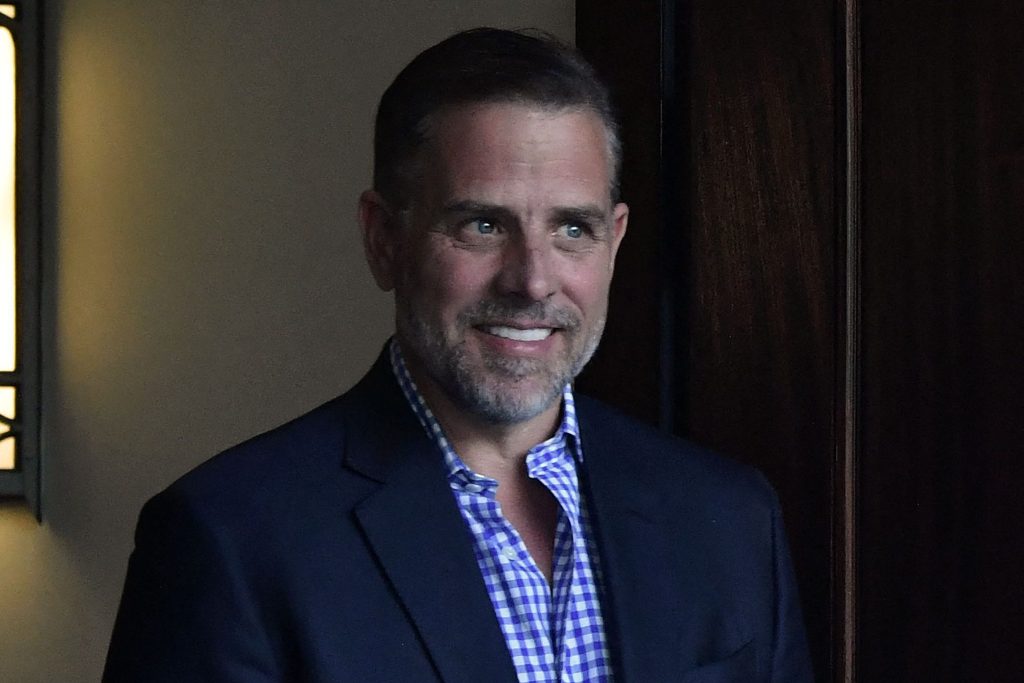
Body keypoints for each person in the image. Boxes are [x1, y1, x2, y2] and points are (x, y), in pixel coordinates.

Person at [104, 28, 812, 683]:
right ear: (384, 238)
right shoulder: (228, 541)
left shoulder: (728, 519)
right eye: (481, 224)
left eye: (572, 228)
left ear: (615, 241)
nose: (533, 279)